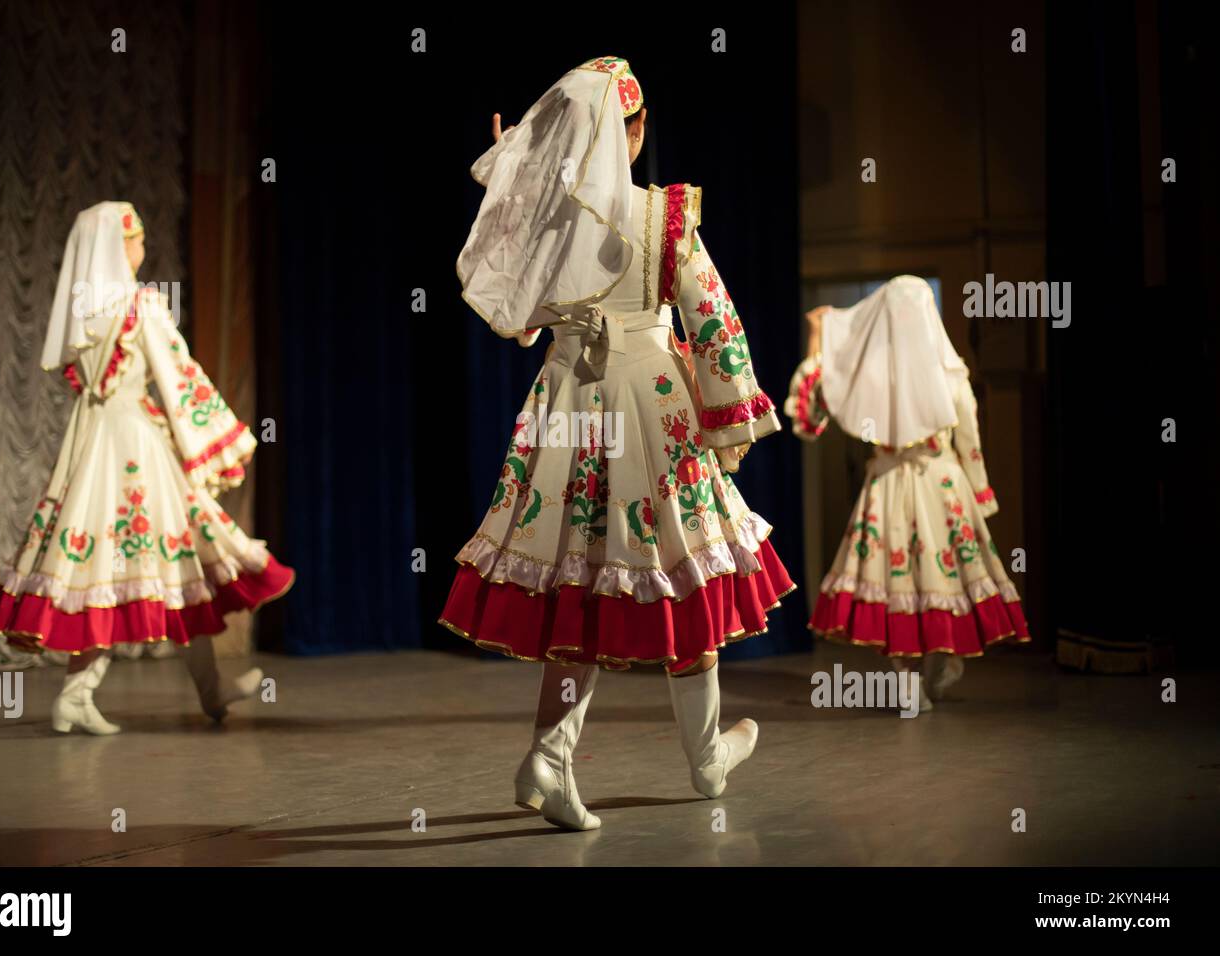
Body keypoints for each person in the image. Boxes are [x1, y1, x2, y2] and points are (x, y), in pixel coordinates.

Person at [441, 58, 795, 829]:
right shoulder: (662, 214)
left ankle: (552, 752)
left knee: (584, 578)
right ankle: (702, 759)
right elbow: (713, 318)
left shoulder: (547, 222)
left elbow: (514, 318)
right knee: (683, 570)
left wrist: (513, 189)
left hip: (568, 404)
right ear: (628, 134)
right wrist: (732, 415)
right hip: (649, 404)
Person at [0, 201, 294, 734]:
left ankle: (196, 689)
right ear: (119, 245)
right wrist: (217, 438)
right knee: (154, 563)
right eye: (137, 237)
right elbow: (178, 377)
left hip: (91, 444)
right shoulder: (139, 305)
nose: (142, 247)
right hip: (136, 448)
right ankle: (86, 691)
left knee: (144, 566)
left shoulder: (84, 312)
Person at [784, 276, 1029, 711]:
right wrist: (979, 491)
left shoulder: (869, 381)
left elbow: (809, 416)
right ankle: (937, 663)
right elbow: (969, 441)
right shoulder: (950, 376)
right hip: (942, 485)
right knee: (937, 578)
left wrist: (818, 339)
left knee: (901, 581)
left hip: (890, 487)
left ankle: (908, 679)